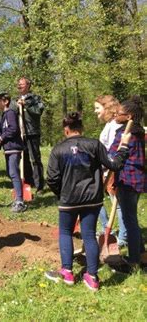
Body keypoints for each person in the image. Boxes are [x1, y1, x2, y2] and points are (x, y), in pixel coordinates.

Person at [45, 112, 130, 291]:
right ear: (81, 129)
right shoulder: (94, 145)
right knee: (89, 235)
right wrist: (123, 149)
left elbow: (51, 178)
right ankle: (92, 277)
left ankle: (67, 273)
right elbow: (114, 165)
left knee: (66, 233)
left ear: (66, 130)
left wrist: (61, 193)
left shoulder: (58, 149)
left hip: (68, 200)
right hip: (92, 199)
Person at [108, 96, 146, 271]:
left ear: (129, 116)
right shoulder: (139, 133)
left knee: (129, 220)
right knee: (131, 218)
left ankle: (133, 261)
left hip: (127, 180)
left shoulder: (124, 134)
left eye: (119, 112)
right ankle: (141, 253)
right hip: (137, 180)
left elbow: (113, 156)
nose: (116, 113)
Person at [93, 95, 126, 247]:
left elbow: (114, 150)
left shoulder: (114, 126)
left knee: (117, 204)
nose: (95, 111)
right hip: (105, 167)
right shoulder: (109, 124)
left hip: (112, 168)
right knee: (99, 200)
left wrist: (106, 166)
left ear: (106, 108)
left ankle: (123, 238)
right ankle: (108, 229)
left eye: (97, 108)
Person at [0, 93, 26, 213]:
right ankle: (17, 198)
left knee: (13, 173)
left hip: (14, 147)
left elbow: (13, 129)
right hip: (8, 148)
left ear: (5, 101)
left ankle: (20, 202)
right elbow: (3, 135)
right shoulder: (2, 116)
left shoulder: (10, 113)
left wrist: (0, 139)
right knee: (10, 173)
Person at [11, 77, 45, 194]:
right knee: (23, 159)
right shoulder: (15, 100)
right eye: (18, 84)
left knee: (35, 158)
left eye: (22, 84)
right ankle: (28, 182)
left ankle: (39, 185)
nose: (19, 86)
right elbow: (11, 113)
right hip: (20, 133)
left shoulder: (35, 98)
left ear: (28, 85)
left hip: (32, 132)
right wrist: (17, 106)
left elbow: (38, 112)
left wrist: (26, 105)